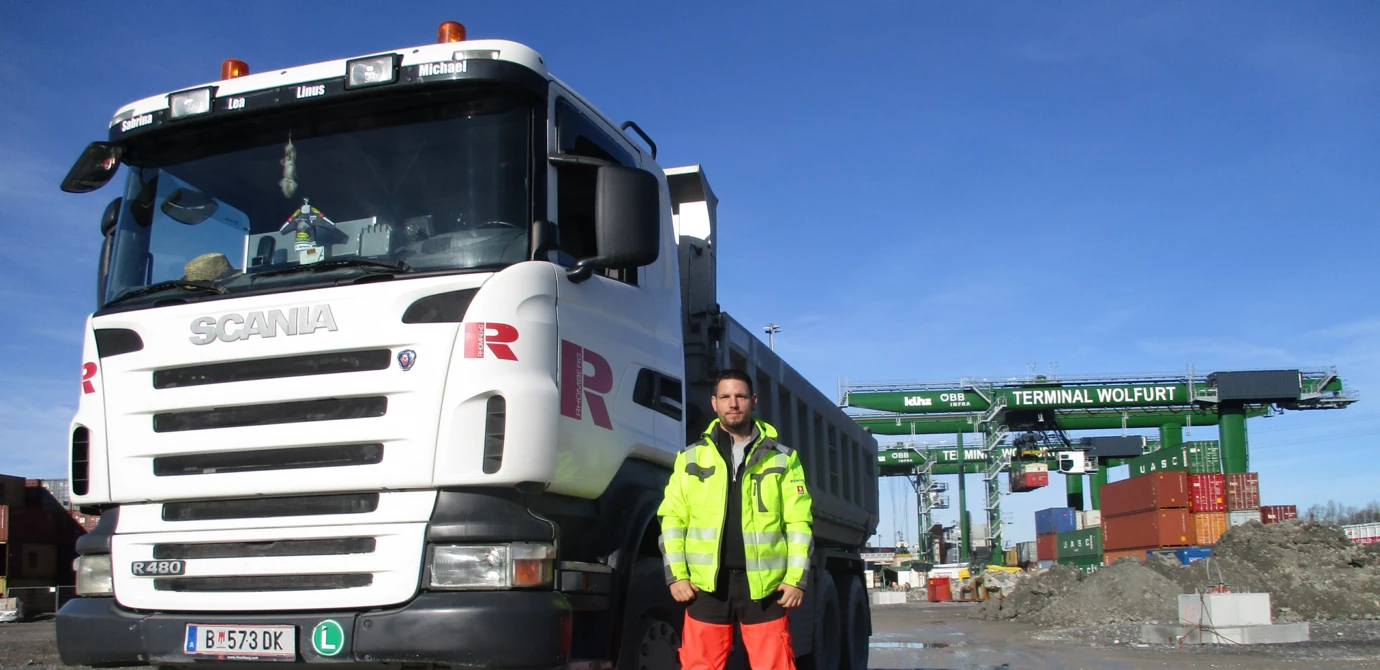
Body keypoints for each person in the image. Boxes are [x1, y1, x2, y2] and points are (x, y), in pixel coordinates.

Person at [657, 369, 813, 670]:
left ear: (753, 400)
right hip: (706, 588)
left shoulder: (782, 458)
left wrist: (796, 579)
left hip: (766, 588)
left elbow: (798, 524)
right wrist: (676, 575)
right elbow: (672, 519)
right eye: (725, 396)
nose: (733, 403)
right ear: (713, 403)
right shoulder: (689, 459)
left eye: (740, 396)